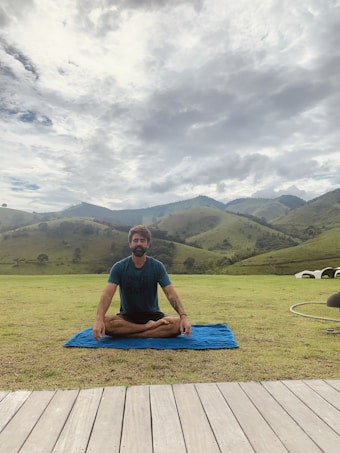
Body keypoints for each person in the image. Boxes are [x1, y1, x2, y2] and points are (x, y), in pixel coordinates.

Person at [93, 225, 192, 340]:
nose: (139, 243)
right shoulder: (119, 267)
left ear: (147, 244)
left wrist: (183, 316)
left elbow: (170, 293)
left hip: (153, 315)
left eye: (142, 240)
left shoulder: (157, 266)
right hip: (127, 316)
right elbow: (107, 294)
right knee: (106, 323)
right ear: (130, 244)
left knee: (176, 324)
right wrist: (99, 319)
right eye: (135, 240)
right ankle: (150, 329)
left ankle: (132, 333)